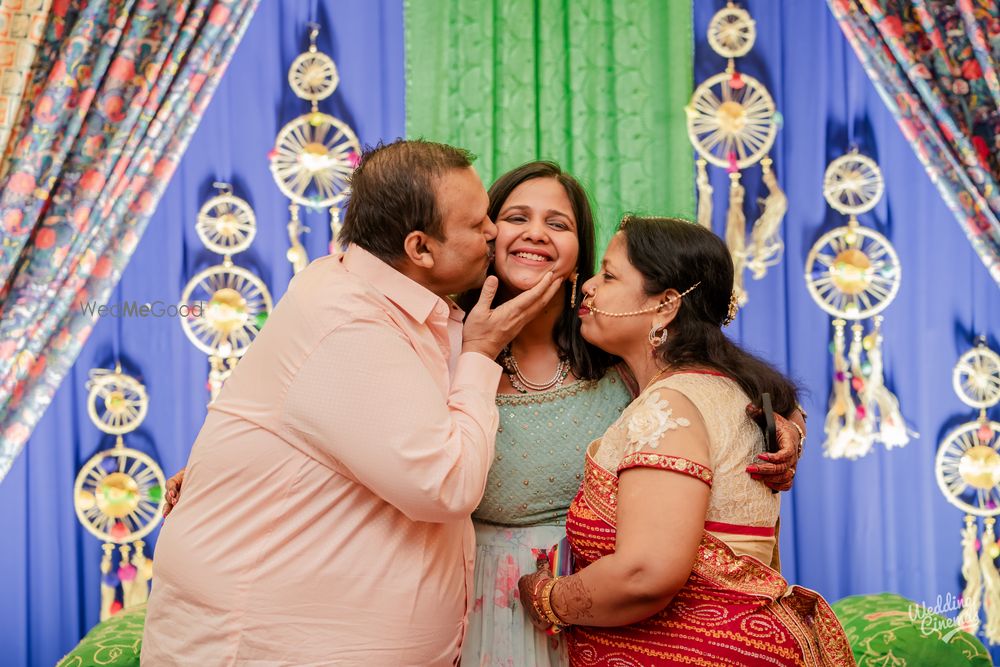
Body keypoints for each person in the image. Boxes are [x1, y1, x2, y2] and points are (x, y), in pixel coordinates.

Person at [160, 165, 802, 667]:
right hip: (467, 594)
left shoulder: (616, 352)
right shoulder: (437, 340)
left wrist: (785, 429)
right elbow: (342, 415)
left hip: (593, 597)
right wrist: (225, 470)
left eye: (558, 222)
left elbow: (718, 384)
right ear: (487, 238)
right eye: (514, 217)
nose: (534, 233)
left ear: (582, 254)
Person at [141, 139, 563, 667]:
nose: (496, 231)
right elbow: (444, 483)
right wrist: (481, 353)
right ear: (420, 249)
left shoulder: (406, 305)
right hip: (266, 648)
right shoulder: (349, 322)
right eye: (481, 222)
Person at [517, 216, 853, 666]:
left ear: (666, 305)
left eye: (609, 275)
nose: (589, 287)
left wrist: (548, 597)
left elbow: (645, 573)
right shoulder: (729, 388)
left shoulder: (670, 406)